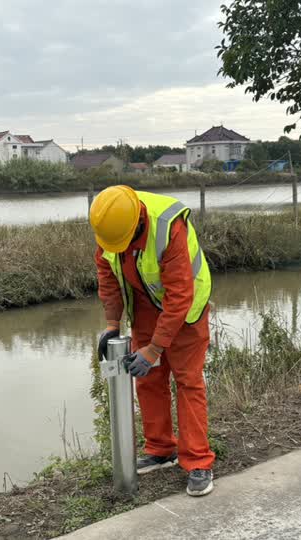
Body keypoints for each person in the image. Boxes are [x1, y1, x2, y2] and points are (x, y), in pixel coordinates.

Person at [90, 185, 215, 497]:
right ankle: (161, 448)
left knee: (187, 382)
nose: (118, 248)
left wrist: (155, 347)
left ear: (139, 224)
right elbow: (108, 279)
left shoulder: (168, 226)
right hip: (145, 305)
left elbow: (180, 294)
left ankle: (198, 461)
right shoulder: (110, 225)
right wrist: (111, 325)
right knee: (148, 378)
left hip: (186, 311)